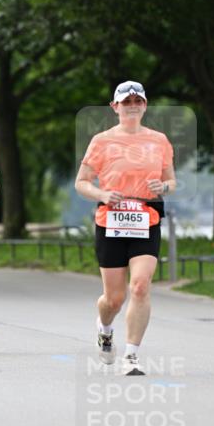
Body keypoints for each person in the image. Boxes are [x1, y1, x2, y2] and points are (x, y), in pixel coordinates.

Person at [74, 80, 176, 376]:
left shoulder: (159, 140)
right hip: (111, 222)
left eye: (137, 101)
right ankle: (105, 328)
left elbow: (171, 181)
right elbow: (81, 182)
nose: (132, 106)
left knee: (141, 286)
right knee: (114, 298)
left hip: (147, 219)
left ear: (144, 105)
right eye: (126, 101)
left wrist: (164, 186)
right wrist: (102, 195)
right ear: (115, 107)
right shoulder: (102, 141)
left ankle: (131, 356)